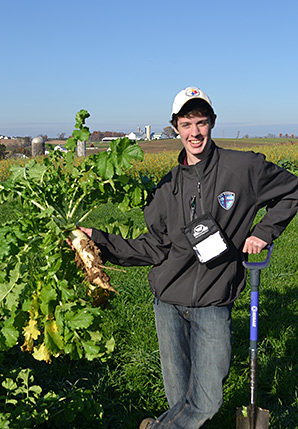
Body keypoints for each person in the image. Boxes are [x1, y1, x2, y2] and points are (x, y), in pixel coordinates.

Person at [77, 86, 298, 428]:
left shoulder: (244, 168)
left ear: (212, 123)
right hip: (168, 303)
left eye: (201, 122)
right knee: (182, 405)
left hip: (213, 302)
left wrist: (263, 232)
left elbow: (291, 192)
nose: (194, 132)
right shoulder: (167, 186)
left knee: (206, 402)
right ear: (175, 127)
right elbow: (154, 247)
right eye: (186, 123)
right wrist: (99, 241)